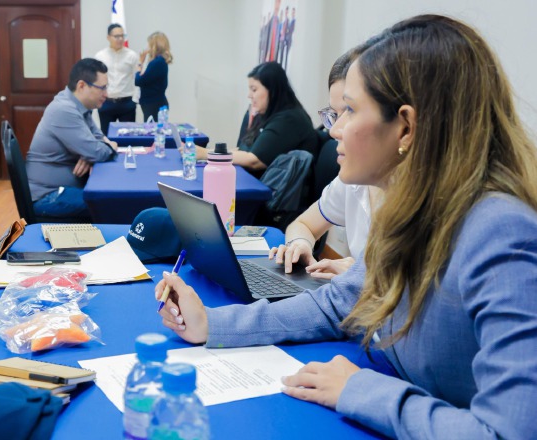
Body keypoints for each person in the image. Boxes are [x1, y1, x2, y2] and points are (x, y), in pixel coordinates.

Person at [155, 15, 537, 439]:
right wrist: (213, 324)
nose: (333, 128)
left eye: (349, 111)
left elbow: (507, 432)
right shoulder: (410, 209)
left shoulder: (499, 231)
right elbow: (337, 303)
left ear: (406, 127)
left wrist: (361, 390)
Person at [272, 39, 384, 280]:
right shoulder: (354, 180)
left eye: (351, 111)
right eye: (334, 114)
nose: (334, 131)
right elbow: (303, 224)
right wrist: (300, 244)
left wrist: (360, 276)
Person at [25, 58, 118, 221]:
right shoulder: (64, 110)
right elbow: (97, 151)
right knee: (110, 204)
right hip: (48, 195)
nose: (106, 94)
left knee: (112, 197)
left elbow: (97, 142)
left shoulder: (81, 107)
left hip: (63, 188)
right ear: (82, 85)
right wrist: (104, 149)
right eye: (102, 88)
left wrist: (91, 155)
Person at [206, 62, 318, 177]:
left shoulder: (289, 120)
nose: (249, 95)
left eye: (254, 90)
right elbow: (244, 149)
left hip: (275, 191)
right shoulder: (269, 114)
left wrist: (204, 153)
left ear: (272, 91)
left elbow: (254, 160)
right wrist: (215, 153)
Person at [94, 23, 139, 136]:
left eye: (122, 36)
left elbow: (138, 78)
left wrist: (135, 100)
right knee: (107, 137)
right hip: (106, 102)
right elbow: (96, 79)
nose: (120, 39)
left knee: (129, 138)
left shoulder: (132, 55)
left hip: (127, 103)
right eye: (116, 36)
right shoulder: (100, 56)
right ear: (108, 37)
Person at [135, 31, 173, 122]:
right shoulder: (159, 61)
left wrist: (140, 63)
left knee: (153, 132)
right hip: (154, 102)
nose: (148, 49)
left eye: (149, 45)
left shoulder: (157, 62)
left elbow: (139, 81)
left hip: (153, 104)